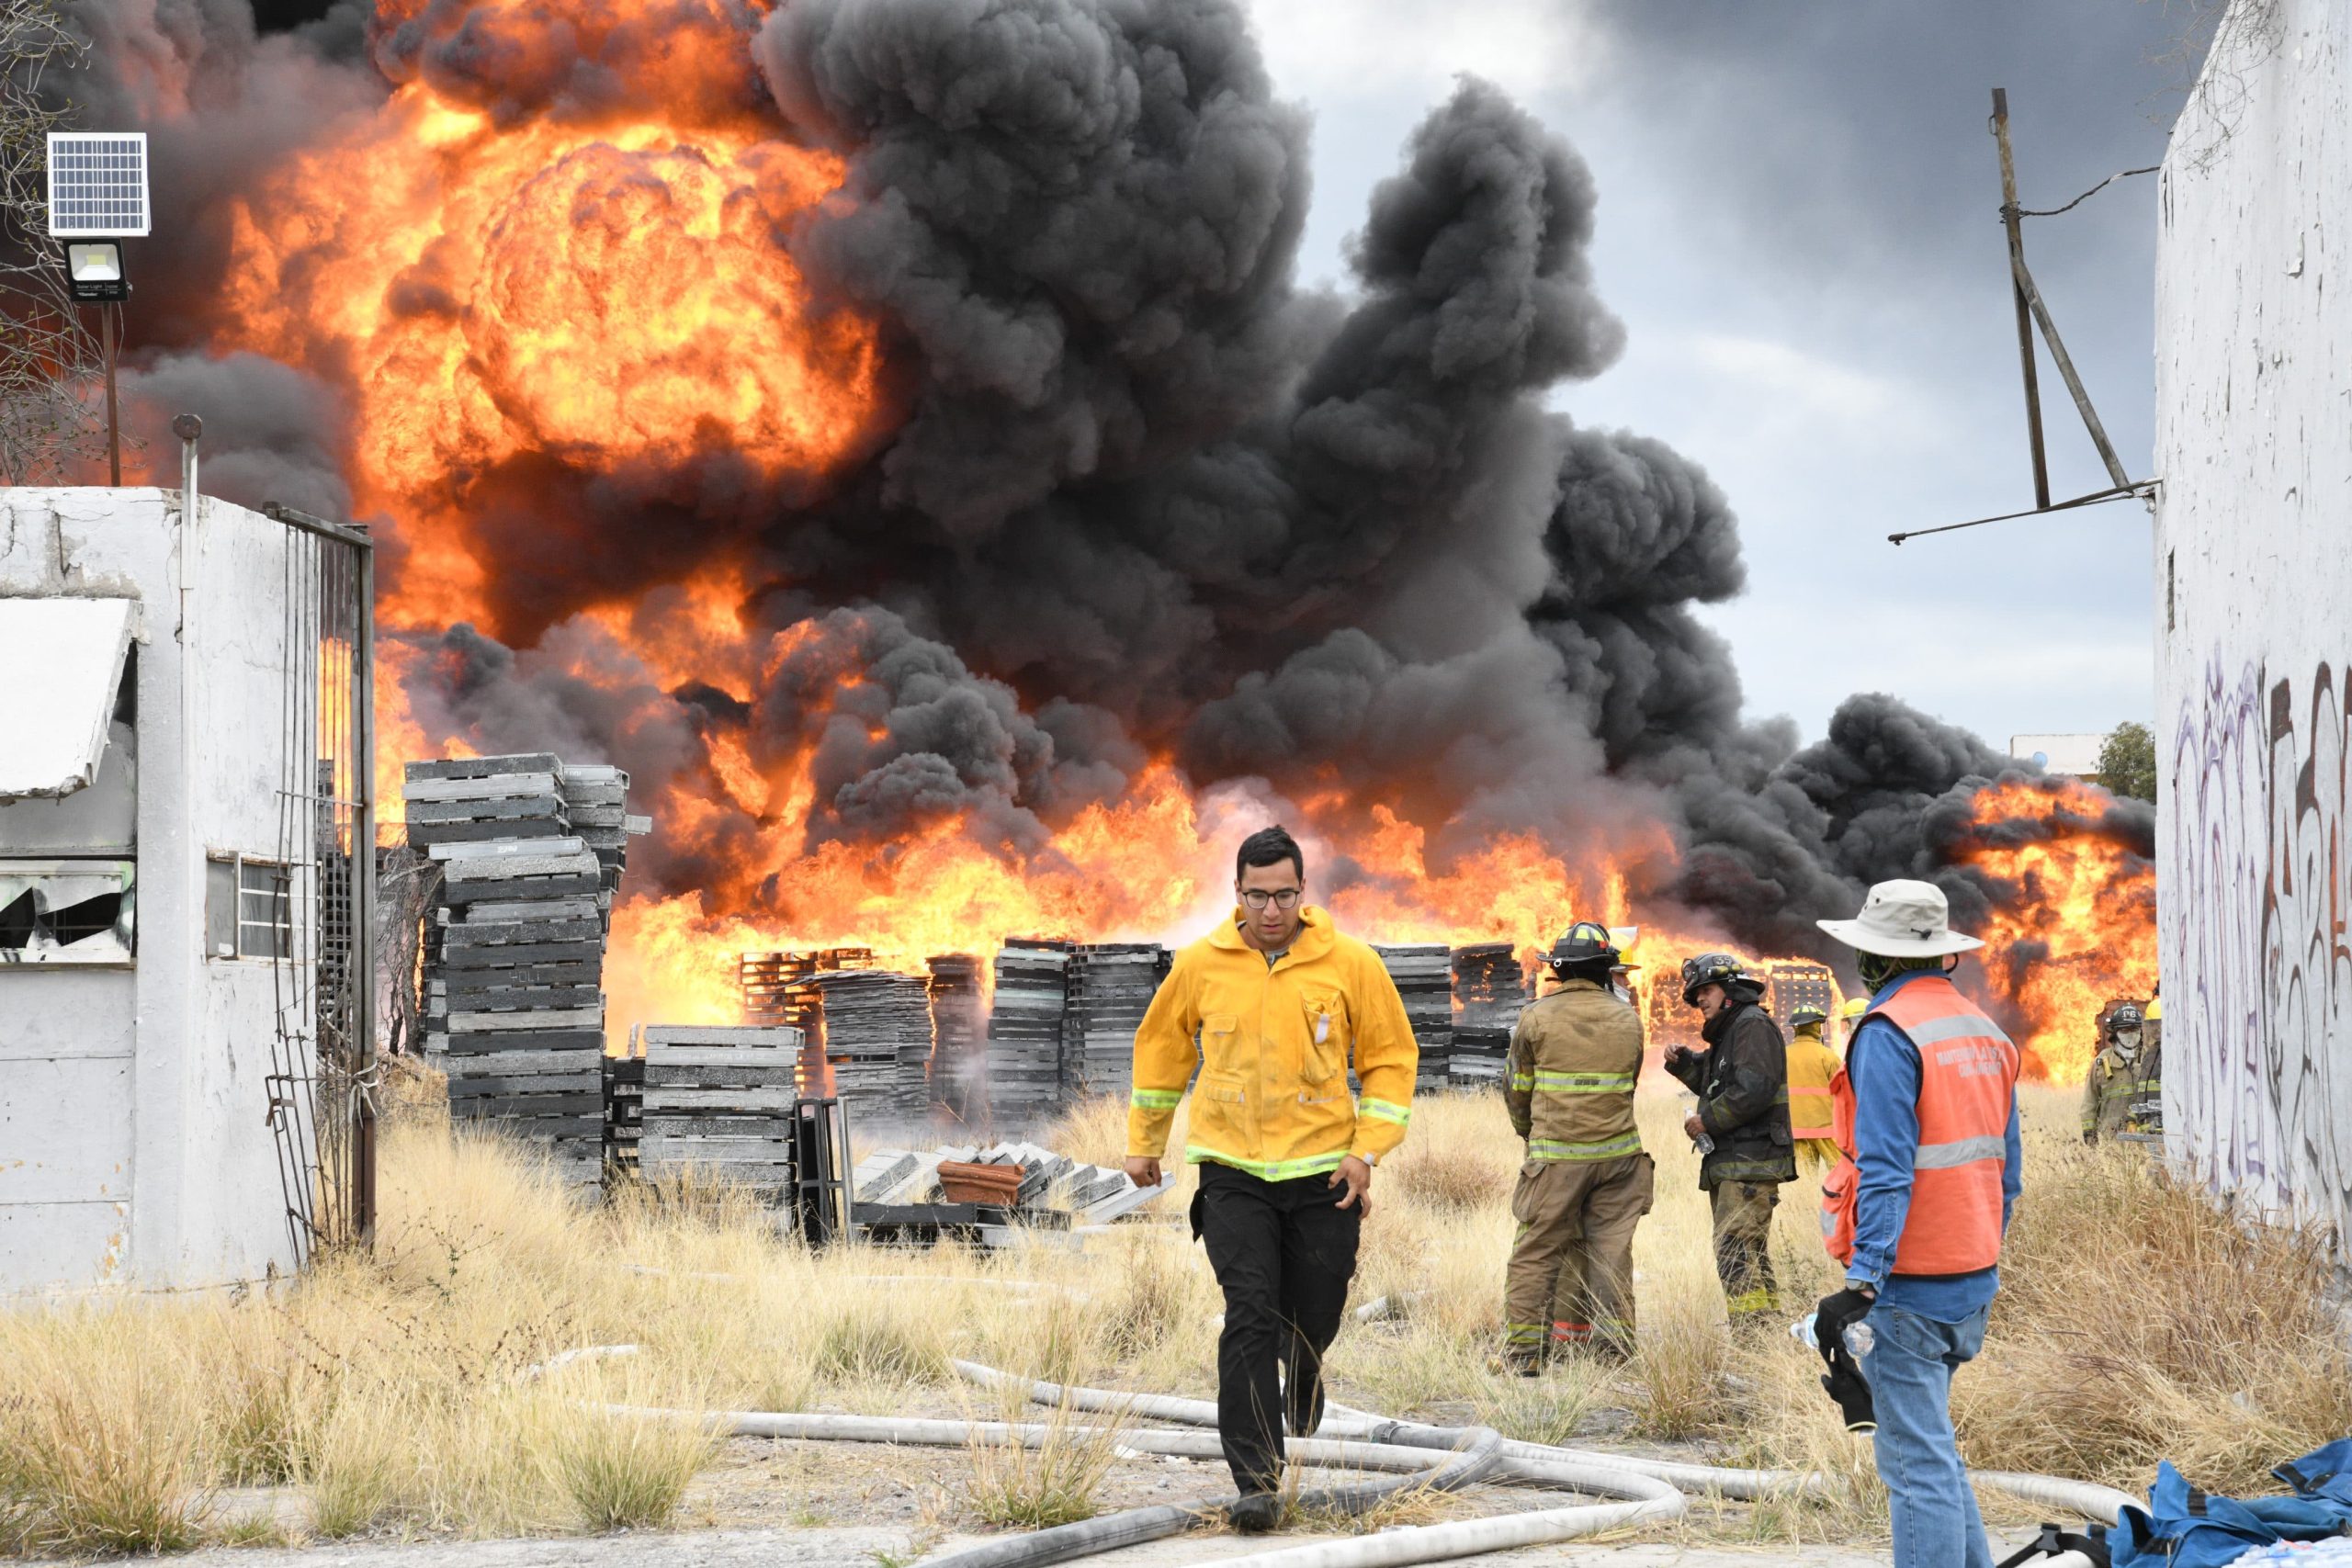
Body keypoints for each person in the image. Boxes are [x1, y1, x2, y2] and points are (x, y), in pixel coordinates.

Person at [1125, 825, 1419, 1532]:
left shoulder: (1349, 963)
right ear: (1236, 893)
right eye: (1256, 895)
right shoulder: (1201, 964)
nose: (1270, 909)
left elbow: (1389, 1059)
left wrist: (1366, 1151)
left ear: (1303, 891)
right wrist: (1145, 1140)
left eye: (1283, 893)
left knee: (1314, 1309)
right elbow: (1161, 1050)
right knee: (1249, 1313)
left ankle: (1307, 1358)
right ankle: (1257, 1478)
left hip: (1324, 1175)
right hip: (1233, 1174)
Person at [1812, 879, 2023, 1568]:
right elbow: (2007, 1173)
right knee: (1934, 1452)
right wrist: (1981, 1254)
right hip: (1970, 1277)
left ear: (1878, 959)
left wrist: (1863, 1282)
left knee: (1913, 1469)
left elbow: (1888, 1170)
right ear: (1942, 957)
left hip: (1909, 1286)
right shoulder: (1985, 1032)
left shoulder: (1887, 1032)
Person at [1500, 921, 1652, 1371]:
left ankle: (1527, 1353)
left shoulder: (1535, 1017)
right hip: (1620, 1160)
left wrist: (1530, 1134)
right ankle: (1615, 1352)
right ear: (1606, 970)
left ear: (1559, 971)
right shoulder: (1629, 1019)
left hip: (1557, 1161)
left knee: (1536, 1251)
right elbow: (1630, 1084)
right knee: (1611, 1253)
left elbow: (1516, 1090)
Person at [1662, 953, 1795, 1325]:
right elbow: (1716, 1081)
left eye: (1707, 990)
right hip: (1740, 1161)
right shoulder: (1733, 1030)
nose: (1700, 999)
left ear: (1730, 990)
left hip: (1750, 1161)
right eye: (1697, 993)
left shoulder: (1751, 1026)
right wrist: (1682, 1062)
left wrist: (1707, 1122)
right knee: (1747, 1248)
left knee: (1734, 1249)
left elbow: (1754, 1090)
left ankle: (1751, 1336)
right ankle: (1766, 1338)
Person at [2080, 1002, 2160, 1144]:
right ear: (2115, 1033)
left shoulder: (2150, 1059)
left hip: (2143, 1139)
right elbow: (2089, 1101)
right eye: (2124, 1030)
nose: (2130, 1034)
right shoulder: (2102, 1063)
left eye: (2134, 1029)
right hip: (2111, 1140)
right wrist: (2090, 1135)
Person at [1784, 1004, 1844, 1173]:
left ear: (1796, 1029)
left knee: (1804, 1179)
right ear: (1817, 1026)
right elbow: (1843, 1091)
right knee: (1841, 1175)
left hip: (1796, 1130)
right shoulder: (1828, 1056)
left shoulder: (1783, 1055)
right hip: (1826, 1130)